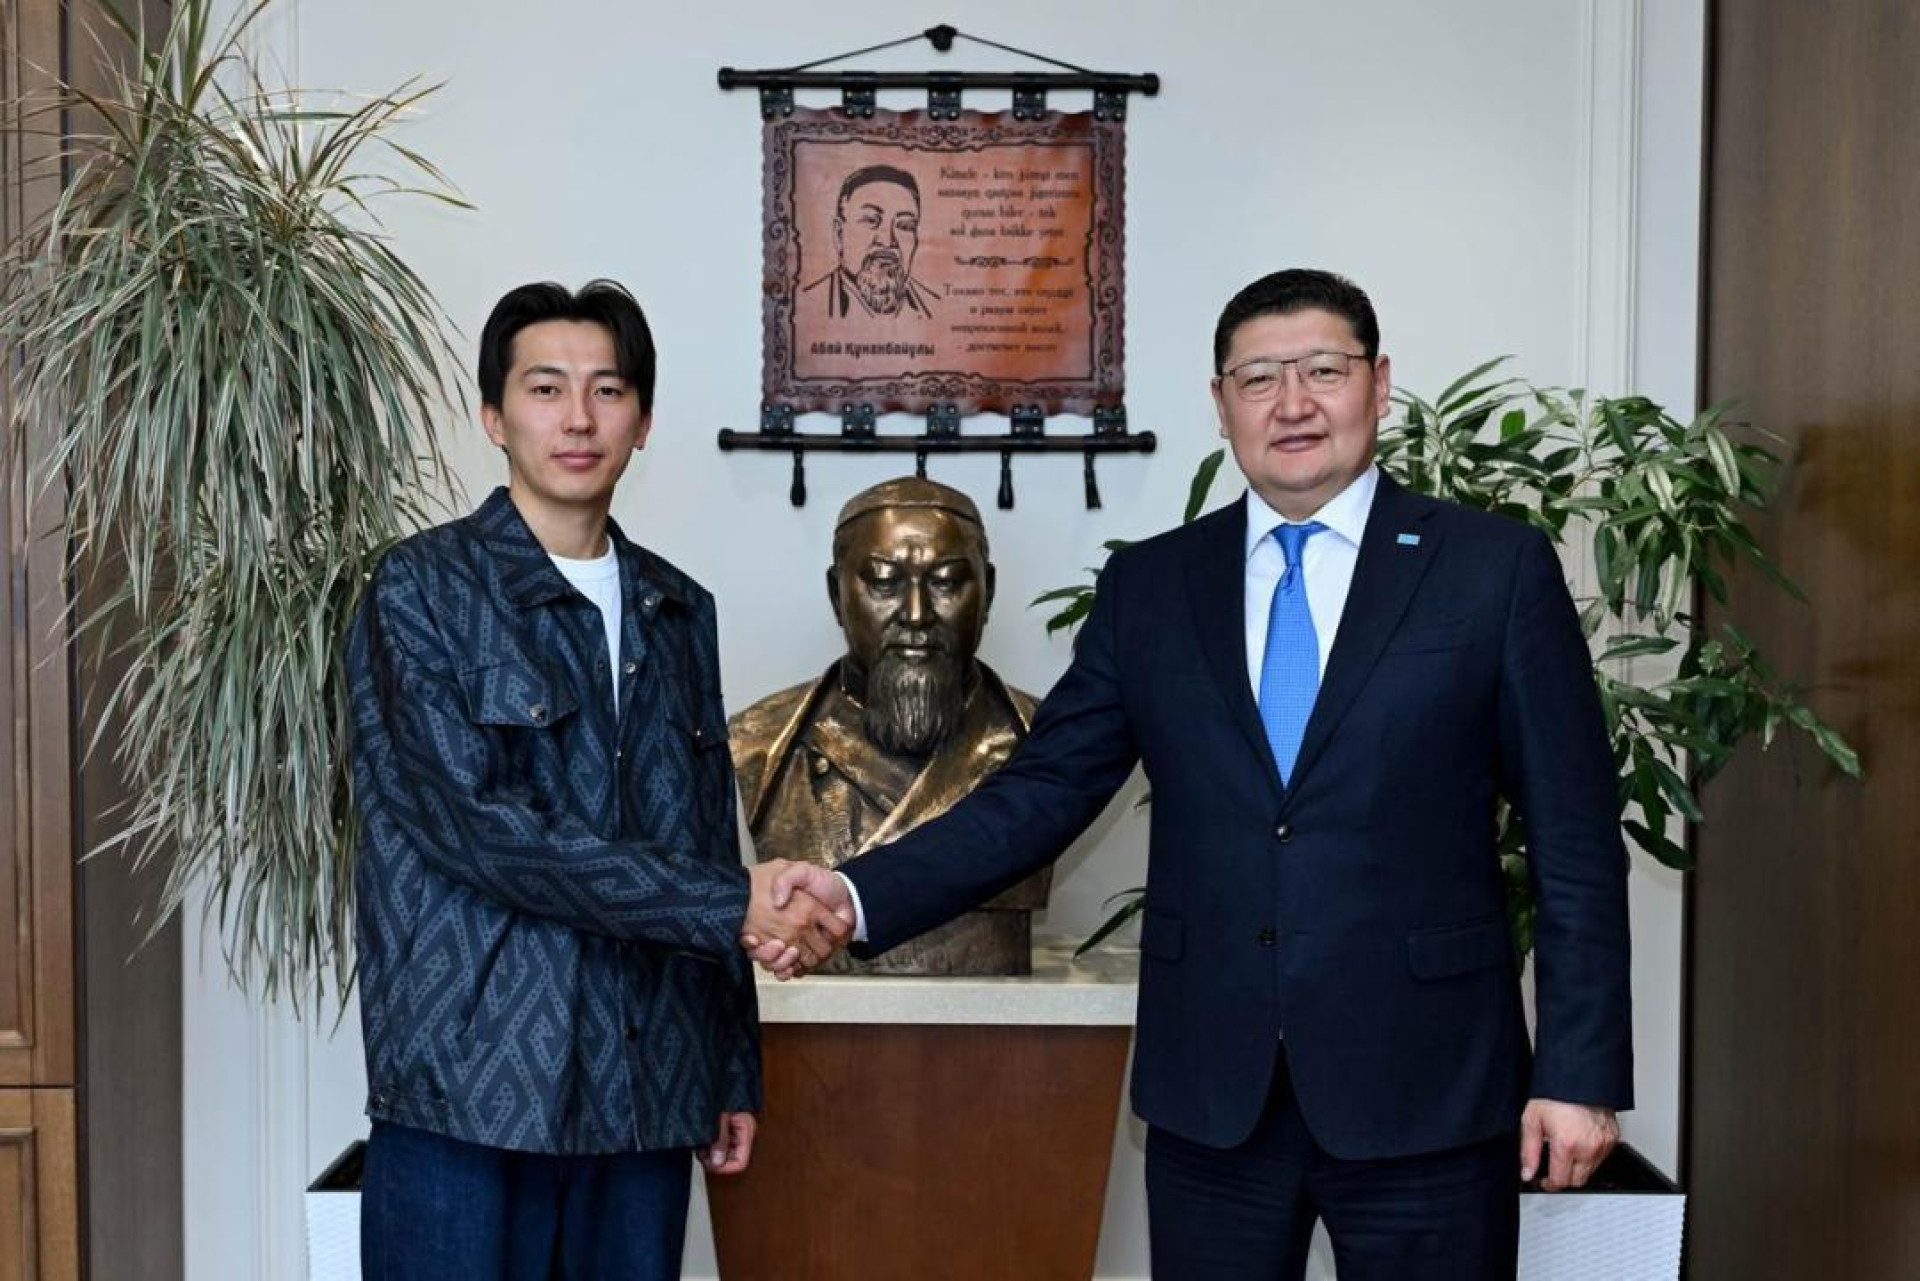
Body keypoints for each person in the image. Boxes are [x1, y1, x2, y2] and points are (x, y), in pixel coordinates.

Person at [755, 269, 1635, 1279]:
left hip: (1429, 1087)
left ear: (1379, 383)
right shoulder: (1154, 585)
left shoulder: (1493, 570)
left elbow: (1574, 838)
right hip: (1216, 1099)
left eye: (1323, 370)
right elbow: (1043, 792)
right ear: (1221, 404)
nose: (1292, 403)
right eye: (1258, 378)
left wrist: (1579, 1073)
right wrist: (855, 894)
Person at [346, 279, 848, 1279]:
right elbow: (485, 831)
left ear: (642, 420)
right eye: (545, 389)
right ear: (494, 416)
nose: (578, 418)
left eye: (608, 390)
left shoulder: (678, 608)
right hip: (469, 1093)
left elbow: (704, 833)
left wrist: (729, 1064)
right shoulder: (420, 590)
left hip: (644, 1088)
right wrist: (731, 902)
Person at [729, 477, 1049, 976]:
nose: (916, 614)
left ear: (987, 591)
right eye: (883, 582)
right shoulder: (753, 747)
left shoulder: (1047, 744)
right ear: (837, 594)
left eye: (946, 581)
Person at [803, 165, 940, 320]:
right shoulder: (807, 306)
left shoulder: (938, 308)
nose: (887, 242)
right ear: (839, 233)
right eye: (871, 220)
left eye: (904, 226)